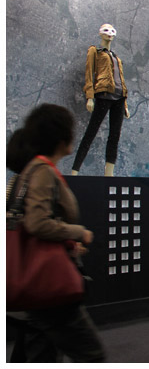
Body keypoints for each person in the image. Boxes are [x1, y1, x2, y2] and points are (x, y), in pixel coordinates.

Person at [7, 104, 106, 362]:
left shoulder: (29, 171)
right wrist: (78, 232)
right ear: (61, 137)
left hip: (37, 287)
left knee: (39, 353)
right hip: (48, 284)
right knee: (92, 355)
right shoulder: (42, 171)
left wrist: (68, 241)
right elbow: (37, 223)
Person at [72, 23, 130, 177]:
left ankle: (109, 174)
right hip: (104, 94)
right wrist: (90, 97)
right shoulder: (95, 52)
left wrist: (125, 104)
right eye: (106, 30)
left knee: (115, 136)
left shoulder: (116, 57)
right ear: (100, 34)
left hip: (119, 97)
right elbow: (89, 74)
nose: (109, 33)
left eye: (112, 31)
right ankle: (74, 172)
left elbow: (121, 80)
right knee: (91, 133)